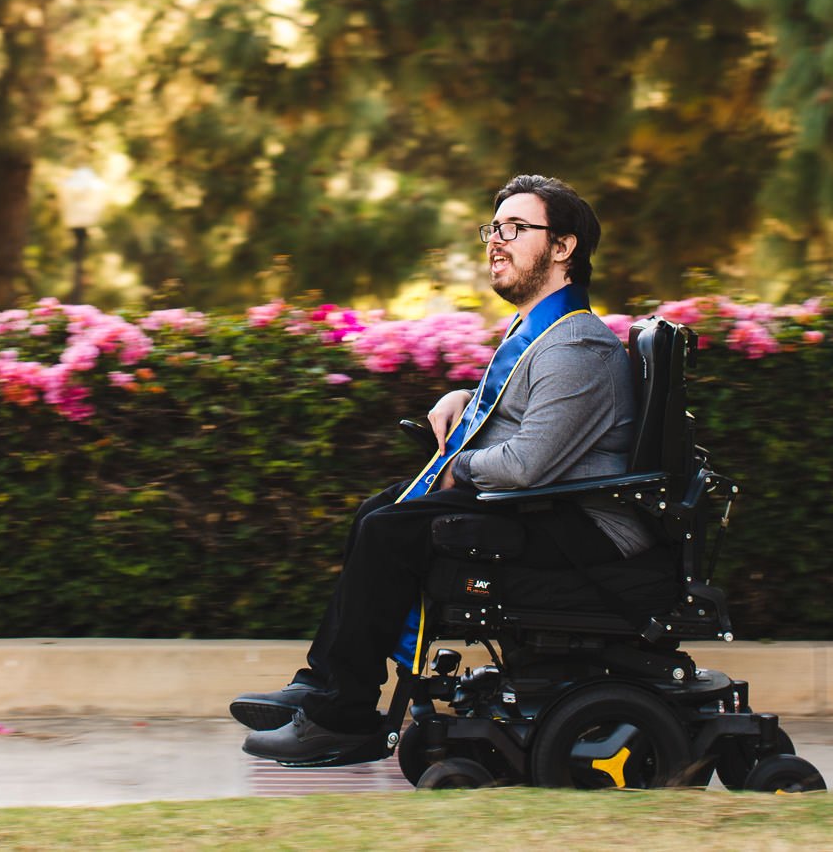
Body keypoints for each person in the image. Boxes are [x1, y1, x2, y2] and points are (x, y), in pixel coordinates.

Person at [232, 173, 647, 765]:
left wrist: (460, 463)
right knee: (379, 509)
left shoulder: (578, 347)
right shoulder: (544, 334)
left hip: (586, 532)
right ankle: (323, 685)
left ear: (563, 247)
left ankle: (343, 719)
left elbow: (528, 464)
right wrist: (466, 399)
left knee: (390, 530)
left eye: (516, 228)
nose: (496, 242)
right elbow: (525, 421)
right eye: (494, 229)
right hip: (550, 510)